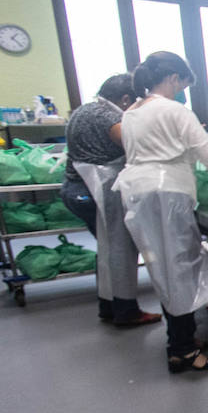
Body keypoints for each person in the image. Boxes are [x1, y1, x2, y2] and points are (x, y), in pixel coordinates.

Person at [114, 51, 208, 373]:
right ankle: (183, 350)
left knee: (161, 267)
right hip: (167, 193)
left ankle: (182, 337)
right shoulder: (175, 110)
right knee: (179, 268)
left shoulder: (132, 112)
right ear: (174, 77)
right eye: (183, 84)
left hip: (137, 192)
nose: (182, 91)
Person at [60, 72, 160, 326]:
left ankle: (108, 305)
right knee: (120, 249)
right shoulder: (108, 116)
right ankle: (126, 311)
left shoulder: (84, 110)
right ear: (126, 99)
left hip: (76, 189)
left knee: (106, 250)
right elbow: (135, 145)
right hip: (97, 192)